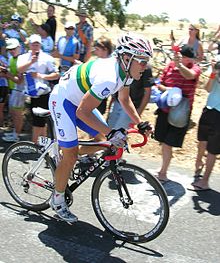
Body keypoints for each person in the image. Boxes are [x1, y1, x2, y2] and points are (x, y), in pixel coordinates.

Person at [48, 34, 153, 223]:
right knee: (74, 154)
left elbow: (124, 99)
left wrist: (139, 123)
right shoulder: (109, 78)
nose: (145, 67)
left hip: (80, 101)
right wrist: (111, 132)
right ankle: (57, 199)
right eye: (143, 61)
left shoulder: (126, 72)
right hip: (64, 100)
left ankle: (70, 155)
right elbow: (82, 112)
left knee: (103, 143)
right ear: (127, 58)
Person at [154, 44, 201, 182]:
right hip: (166, 108)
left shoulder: (195, 68)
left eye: (185, 57)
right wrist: (169, 90)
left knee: (168, 143)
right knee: (162, 141)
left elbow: (190, 75)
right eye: (181, 56)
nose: (182, 58)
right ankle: (163, 168)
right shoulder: (169, 66)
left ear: (190, 59)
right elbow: (161, 84)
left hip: (180, 111)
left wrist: (180, 65)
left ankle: (163, 173)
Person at [17, 34, 59, 143]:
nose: (35, 46)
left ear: (40, 45)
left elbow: (56, 74)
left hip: (43, 93)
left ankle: (35, 144)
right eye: (33, 44)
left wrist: (40, 76)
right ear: (29, 45)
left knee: (39, 120)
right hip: (30, 93)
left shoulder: (47, 58)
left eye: (37, 44)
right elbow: (19, 70)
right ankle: (43, 144)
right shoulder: (23, 57)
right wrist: (31, 62)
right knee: (38, 120)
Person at [190, 56, 220, 191]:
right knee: (202, 140)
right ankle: (198, 163)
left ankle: (205, 180)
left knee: (213, 149)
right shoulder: (218, 62)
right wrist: (214, 72)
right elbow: (208, 88)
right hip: (209, 109)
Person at [1, 38, 25, 142]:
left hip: (19, 90)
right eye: (10, 49)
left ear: (19, 47)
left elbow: (19, 80)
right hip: (13, 89)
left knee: (17, 114)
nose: (12, 51)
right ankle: (15, 133)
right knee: (14, 113)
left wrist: (6, 73)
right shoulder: (12, 59)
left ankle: (17, 135)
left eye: (14, 48)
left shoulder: (21, 60)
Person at [92, 36, 114, 115]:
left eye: (97, 49)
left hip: (101, 99)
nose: (95, 52)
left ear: (105, 49)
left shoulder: (112, 64)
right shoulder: (98, 61)